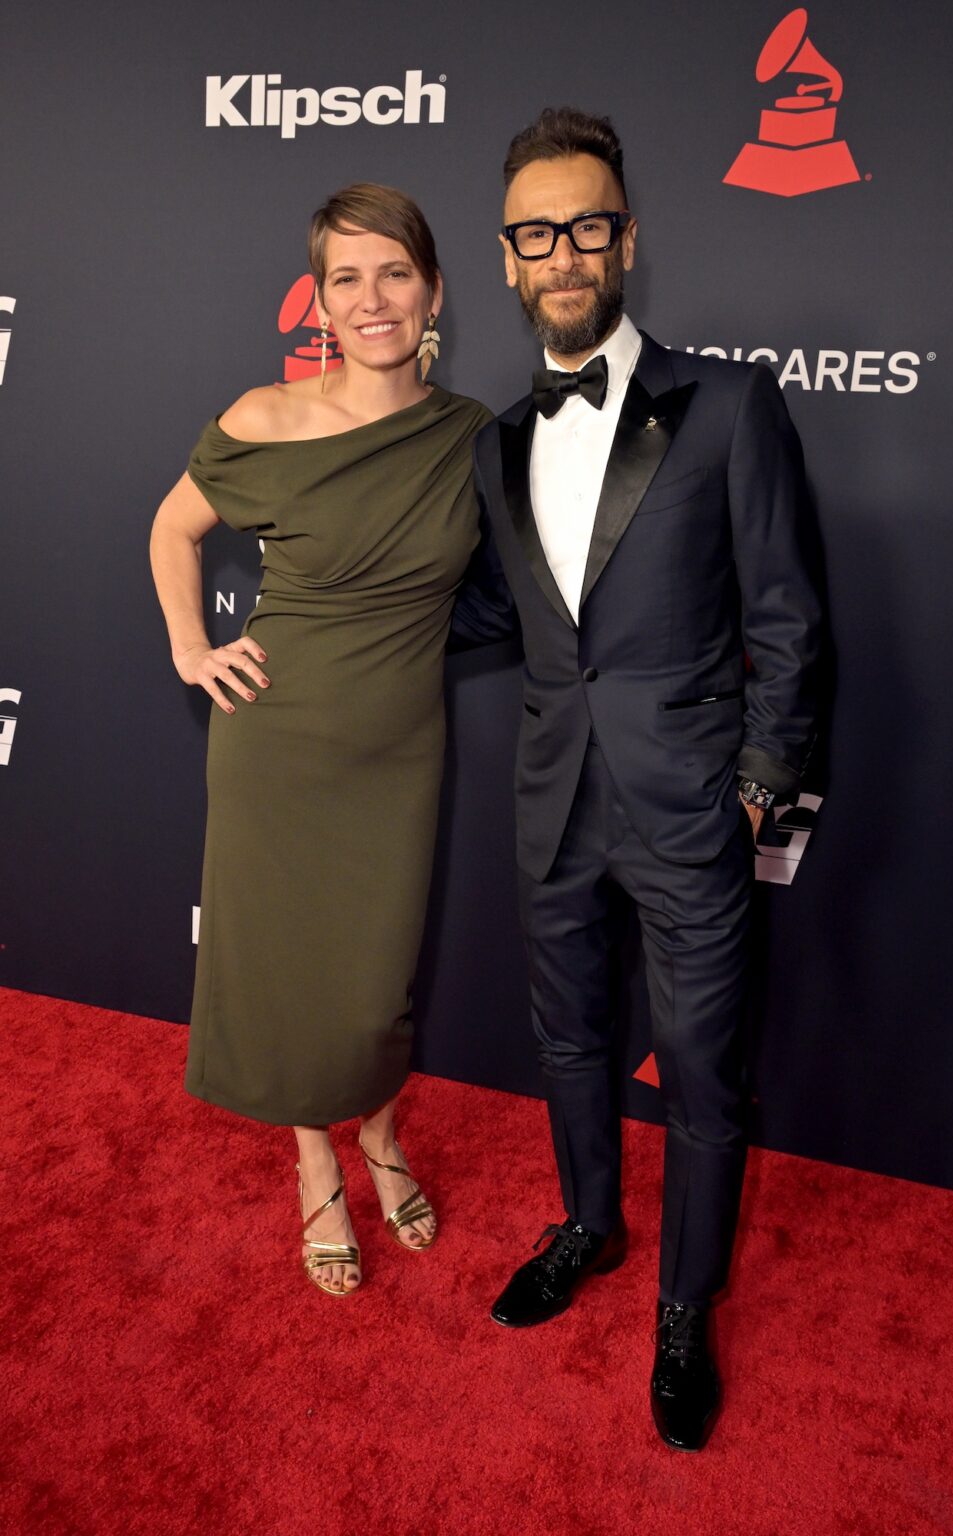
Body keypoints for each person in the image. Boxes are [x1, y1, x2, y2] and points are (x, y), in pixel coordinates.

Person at [452, 108, 820, 1449]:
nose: (565, 253)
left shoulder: (727, 406)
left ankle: (683, 1306)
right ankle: (589, 1226)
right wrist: (349, 627)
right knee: (571, 1041)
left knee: (707, 1072)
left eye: (587, 225)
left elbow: (785, 609)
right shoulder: (495, 444)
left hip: (690, 807)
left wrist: (759, 787)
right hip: (552, 797)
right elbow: (503, 613)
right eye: (537, 233)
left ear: (626, 239)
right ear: (506, 258)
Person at [150, 184, 490, 1297]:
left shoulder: (470, 437)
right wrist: (191, 645)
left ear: (433, 290)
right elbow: (174, 525)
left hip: (397, 750)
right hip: (276, 739)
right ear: (321, 301)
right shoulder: (265, 416)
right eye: (346, 276)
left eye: (394, 271)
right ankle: (315, 1169)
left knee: (372, 979)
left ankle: (381, 1139)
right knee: (291, 971)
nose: (372, 296)